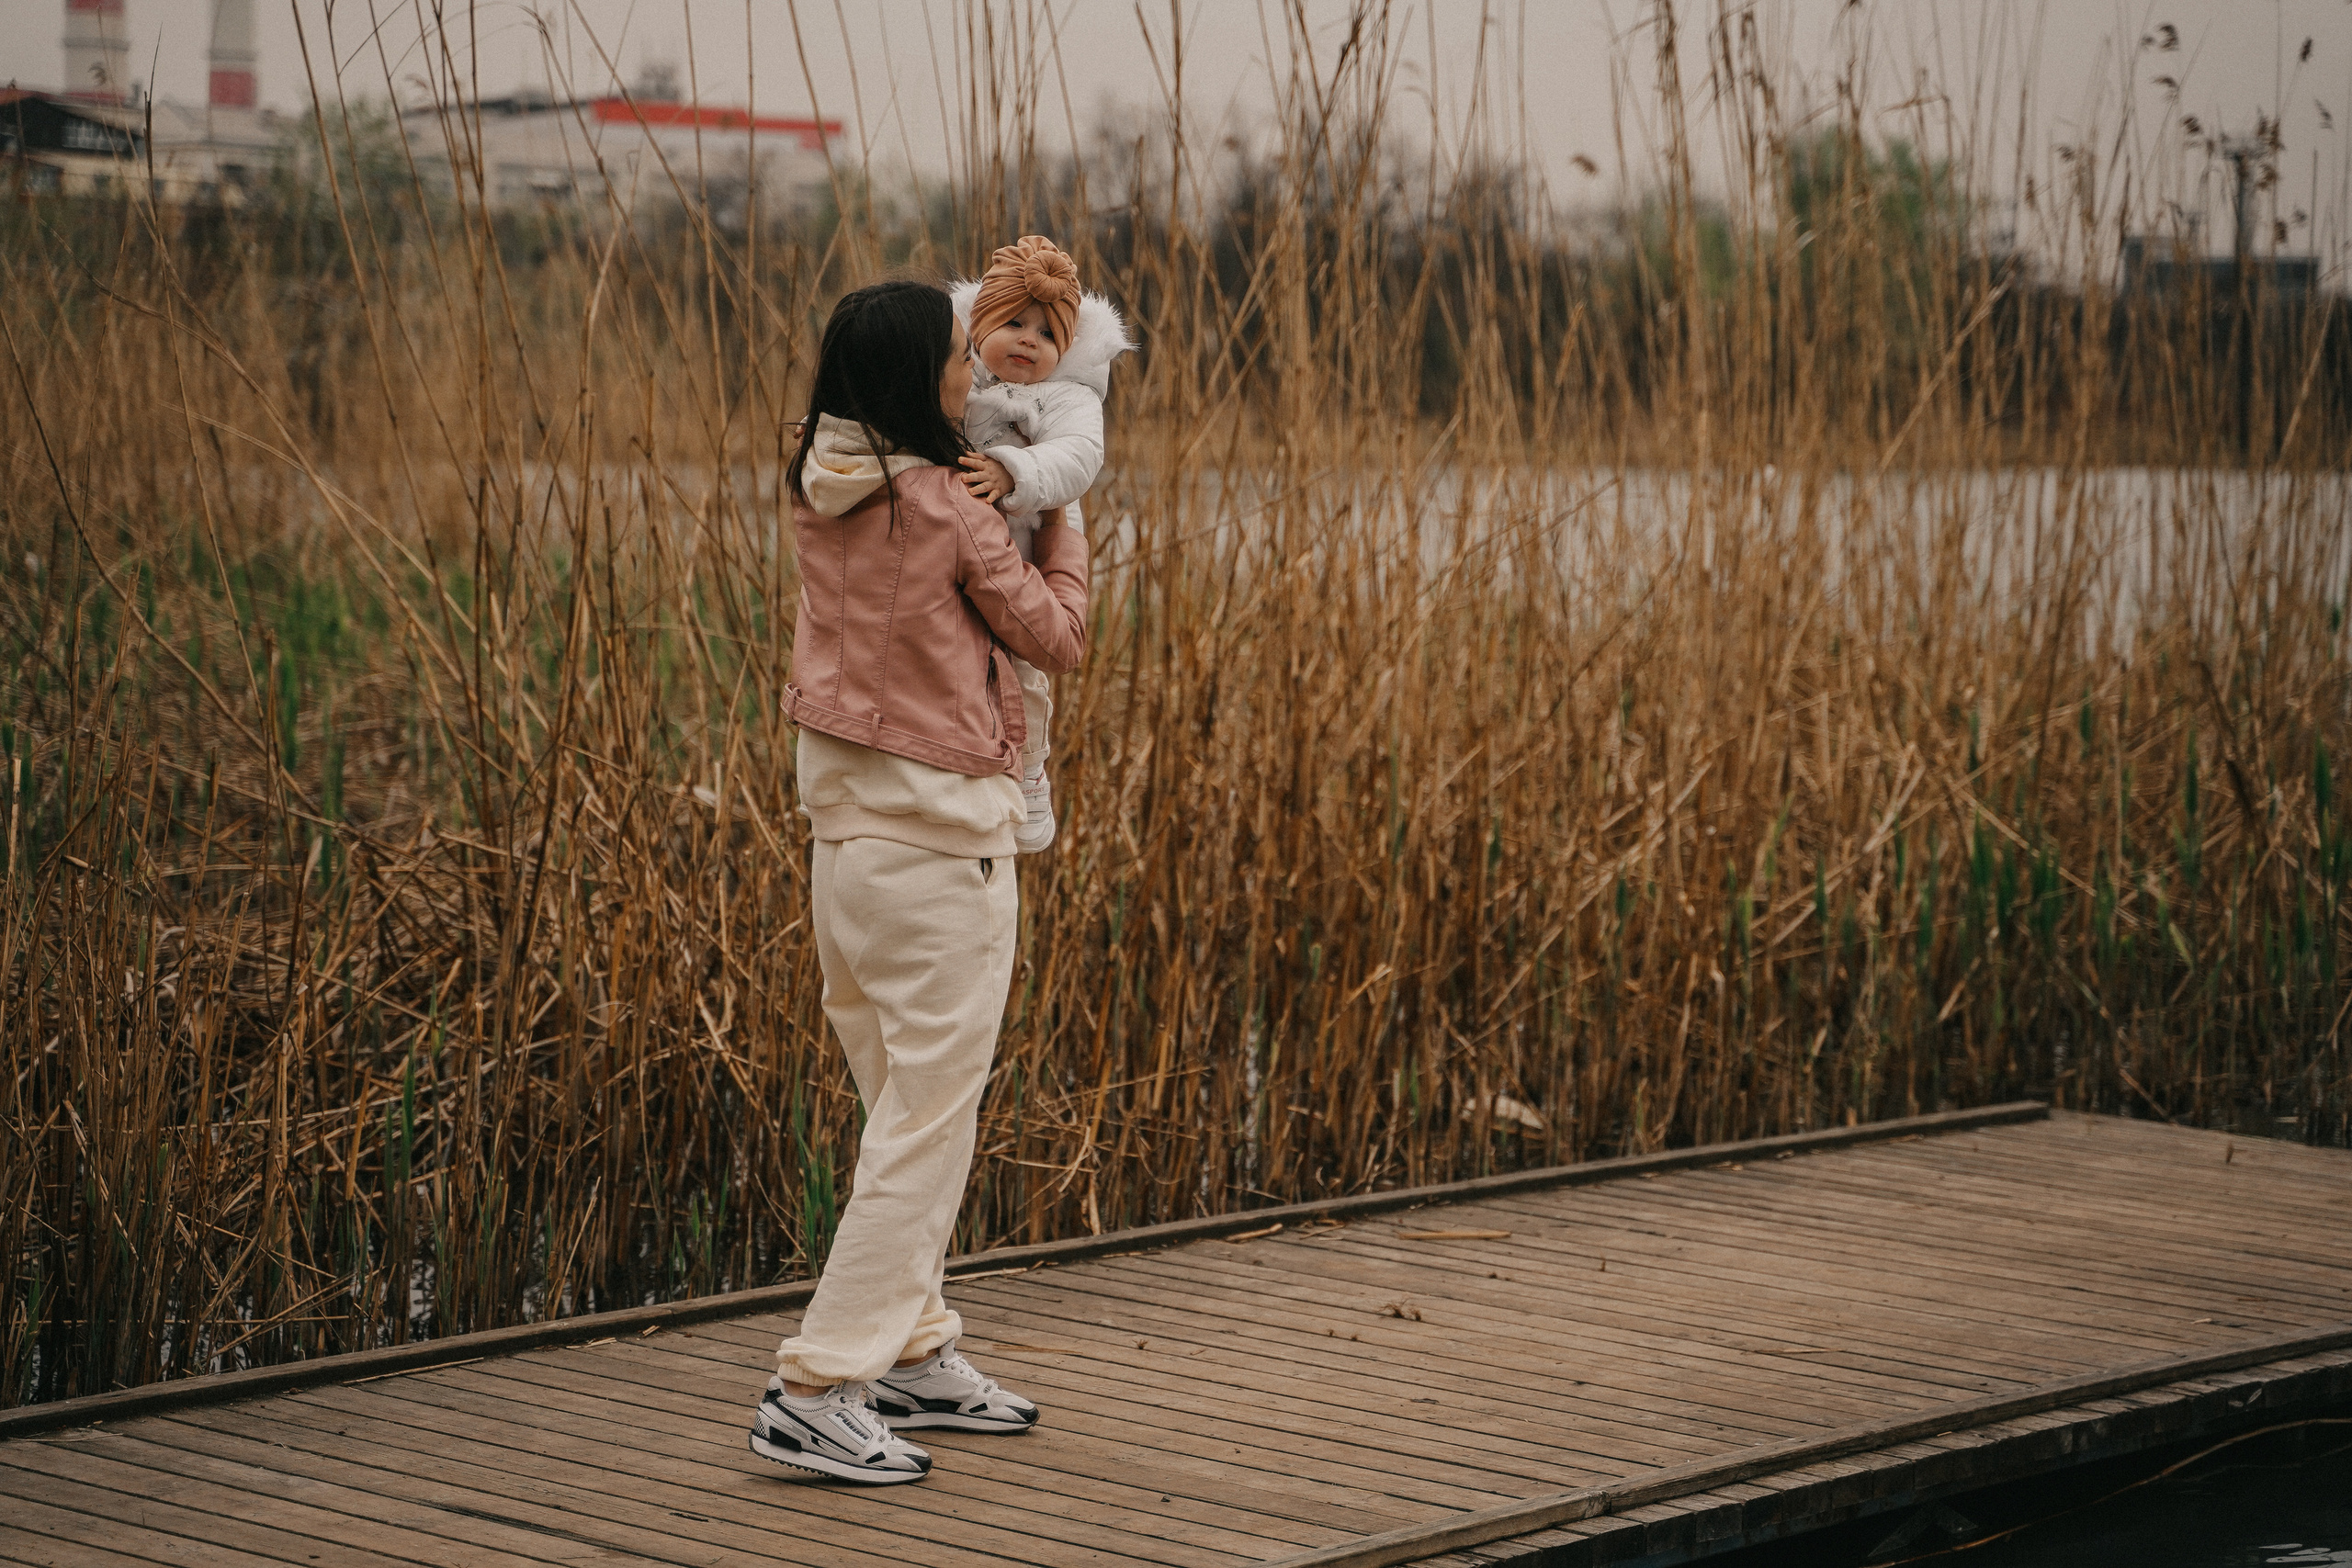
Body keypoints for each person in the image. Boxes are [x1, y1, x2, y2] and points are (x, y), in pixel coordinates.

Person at [748, 278, 1090, 1486]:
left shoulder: (816, 483)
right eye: (956, 355)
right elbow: (1056, 637)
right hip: (941, 854)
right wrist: (1063, 504)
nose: (972, 373)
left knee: (900, 1108)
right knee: (924, 1128)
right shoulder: (951, 507)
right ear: (915, 380)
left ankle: (913, 1346)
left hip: (846, 851)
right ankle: (818, 1383)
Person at [949, 234, 1133, 853]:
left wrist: (1013, 469)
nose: (1029, 341)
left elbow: (1080, 456)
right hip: (967, 549)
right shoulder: (957, 375)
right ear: (979, 324)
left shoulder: (1068, 397)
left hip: (1029, 546)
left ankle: (1030, 770)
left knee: (1025, 674)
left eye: (1048, 334)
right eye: (1014, 323)